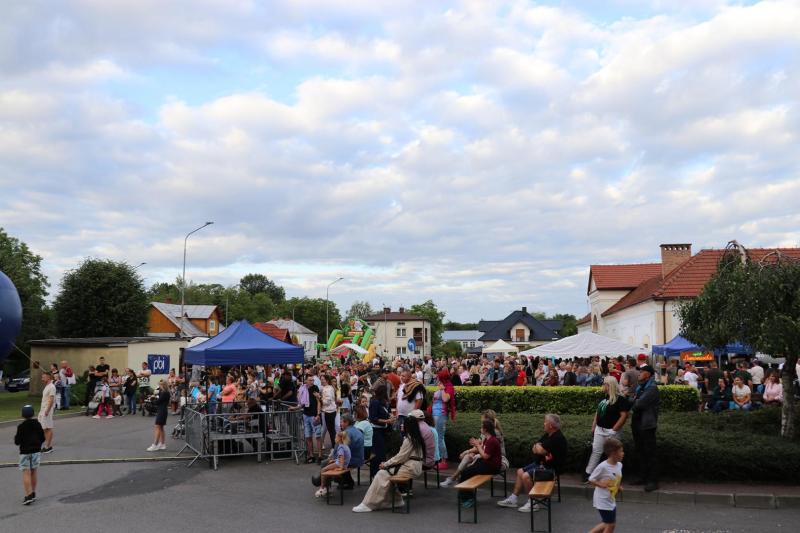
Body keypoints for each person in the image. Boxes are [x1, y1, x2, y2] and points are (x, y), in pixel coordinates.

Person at [352, 413, 427, 513]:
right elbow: (401, 458)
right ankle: (397, 500)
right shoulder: (416, 438)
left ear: (408, 427)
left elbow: (399, 458)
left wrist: (386, 464)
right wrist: (387, 464)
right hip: (413, 466)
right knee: (386, 474)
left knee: (381, 474)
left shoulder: (409, 440)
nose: (401, 425)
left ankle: (369, 503)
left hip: (410, 467)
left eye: (403, 424)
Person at [497, 414, 568, 512]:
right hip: (542, 464)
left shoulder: (557, 438)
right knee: (520, 472)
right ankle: (513, 499)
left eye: (545, 422)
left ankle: (533, 502)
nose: (543, 423)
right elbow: (535, 448)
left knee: (526, 476)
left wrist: (539, 448)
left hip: (552, 469)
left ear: (551, 425)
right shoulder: (548, 435)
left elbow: (540, 450)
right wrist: (539, 448)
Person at [584, 376, 630, 482]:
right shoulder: (604, 397)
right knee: (596, 451)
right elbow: (598, 412)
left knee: (614, 452)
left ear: (609, 385)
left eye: (604, 384)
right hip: (600, 429)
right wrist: (594, 425)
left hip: (612, 431)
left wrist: (614, 429)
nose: (602, 386)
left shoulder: (620, 400)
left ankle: (615, 475)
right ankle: (588, 473)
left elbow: (624, 416)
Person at [458, 419, 503, 508]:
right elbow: (483, 451)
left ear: (485, 429)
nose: (480, 429)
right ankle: (464, 495)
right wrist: (476, 445)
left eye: (481, 427)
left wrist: (478, 445)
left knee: (466, 472)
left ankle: (468, 498)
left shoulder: (492, 441)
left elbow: (485, 456)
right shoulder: (487, 439)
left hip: (492, 467)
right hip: (487, 464)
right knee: (467, 471)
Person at [631, 364, 659, 492]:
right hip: (638, 423)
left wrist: (633, 401)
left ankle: (653, 481)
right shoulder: (641, 387)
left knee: (650, 453)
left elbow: (638, 404)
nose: (639, 374)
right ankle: (642, 476)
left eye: (641, 372)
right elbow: (634, 401)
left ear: (647, 374)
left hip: (647, 425)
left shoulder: (652, 389)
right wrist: (634, 401)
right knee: (640, 451)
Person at [588, 437, 624, 533]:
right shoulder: (603, 466)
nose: (623, 453)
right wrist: (600, 484)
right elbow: (591, 479)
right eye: (620, 451)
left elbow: (615, 478)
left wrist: (618, 487)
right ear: (613, 453)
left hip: (610, 499)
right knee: (610, 524)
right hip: (602, 499)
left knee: (607, 523)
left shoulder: (619, 465)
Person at [15, 404, 45, 505]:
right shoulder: (38, 424)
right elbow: (42, 438)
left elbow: (17, 441)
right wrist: (38, 444)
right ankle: (33, 493)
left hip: (25, 452)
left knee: (26, 472)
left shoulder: (21, 426)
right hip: (36, 451)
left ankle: (28, 495)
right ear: (33, 414)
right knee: (34, 471)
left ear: (22, 415)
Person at [368, 384, 394, 478]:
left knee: (383, 453)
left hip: (384, 430)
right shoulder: (375, 402)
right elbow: (373, 418)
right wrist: (387, 421)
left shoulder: (384, 402)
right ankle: (375, 474)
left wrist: (390, 416)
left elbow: (387, 412)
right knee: (378, 454)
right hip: (376, 430)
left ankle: (381, 474)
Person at [315, 431, 351, 498]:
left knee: (323, 470)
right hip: (343, 463)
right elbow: (343, 457)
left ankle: (322, 488)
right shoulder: (345, 445)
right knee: (328, 465)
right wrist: (335, 460)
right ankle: (325, 487)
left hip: (340, 464)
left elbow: (342, 458)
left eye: (336, 437)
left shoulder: (340, 447)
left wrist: (341, 467)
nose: (335, 439)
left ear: (339, 439)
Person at [431, 369, 455, 470]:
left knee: (440, 438)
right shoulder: (443, 386)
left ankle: (444, 460)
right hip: (435, 414)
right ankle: (439, 459)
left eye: (439, 377)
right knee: (437, 437)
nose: (437, 379)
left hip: (441, 415)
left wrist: (442, 389)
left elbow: (445, 399)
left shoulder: (449, 387)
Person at [297, 375, 323, 464]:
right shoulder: (303, 388)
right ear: (306, 381)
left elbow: (318, 402)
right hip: (306, 415)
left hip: (314, 415)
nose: (312, 382)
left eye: (313, 380)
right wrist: (295, 408)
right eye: (310, 380)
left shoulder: (315, 388)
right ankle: (311, 455)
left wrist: (318, 414)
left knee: (318, 436)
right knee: (308, 436)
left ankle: (320, 456)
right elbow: (301, 403)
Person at [147, 380, 170, 451]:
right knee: (161, 427)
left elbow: (158, 402)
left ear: (163, 386)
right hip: (162, 410)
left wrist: (151, 400)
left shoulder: (165, 393)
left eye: (160, 385)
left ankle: (155, 444)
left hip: (162, 411)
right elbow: (159, 397)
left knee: (157, 426)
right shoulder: (164, 392)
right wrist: (154, 396)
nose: (159, 387)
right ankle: (162, 444)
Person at [320, 374, 339, 451]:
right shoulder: (325, 388)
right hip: (328, 411)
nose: (321, 381)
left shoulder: (328, 389)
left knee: (331, 431)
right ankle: (334, 447)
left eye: (323, 379)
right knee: (331, 430)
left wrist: (319, 397)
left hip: (330, 411)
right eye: (321, 379)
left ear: (327, 380)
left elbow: (327, 402)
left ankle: (335, 448)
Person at [39, 372, 56, 454]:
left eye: (43, 377)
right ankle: (47, 445)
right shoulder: (47, 386)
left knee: (48, 428)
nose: (42, 379)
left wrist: (47, 411)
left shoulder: (52, 387)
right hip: (43, 409)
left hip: (47, 410)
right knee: (45, 428)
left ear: (48, 377)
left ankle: (48, 447)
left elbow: (51, 400)